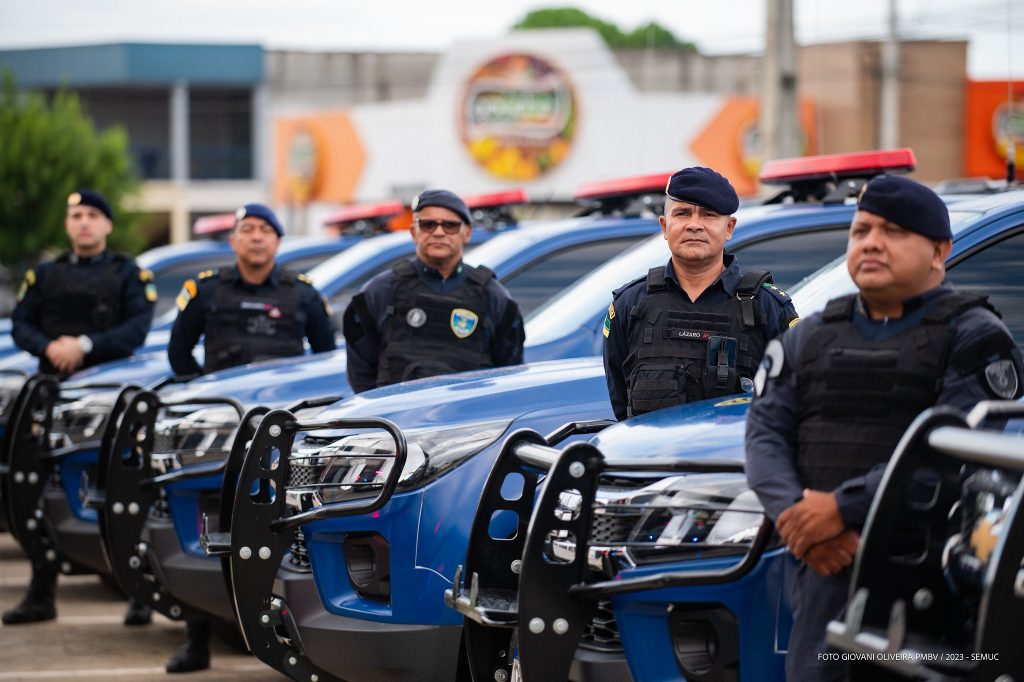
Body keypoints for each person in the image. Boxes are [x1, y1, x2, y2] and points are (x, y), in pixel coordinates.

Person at [745, 175, 1023, 681]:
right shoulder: (809, 335)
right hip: (821, 570)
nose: (871, 242)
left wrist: (840, 509)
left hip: (924, 583)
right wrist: (800, 521)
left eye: (894, 231)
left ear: (939, 251)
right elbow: (764, 434)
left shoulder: (975, 335)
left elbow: (956, 455)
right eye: (862, 230)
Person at [164, 203, 335, 673]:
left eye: (265, 230)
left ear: (277, 241)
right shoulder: (206, 290)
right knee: (211, 532)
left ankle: (283, 633)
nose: (256, 237)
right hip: (223, 438)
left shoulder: (301, 295)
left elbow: (327, 362)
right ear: (234, 240)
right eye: (247, 230)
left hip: (281, 440)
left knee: (278, 534)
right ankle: (196, 638)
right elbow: (179, 354)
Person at [6, 189, 155, 629]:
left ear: (107, 224)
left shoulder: (127, 272)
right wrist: (51, 347)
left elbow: (137, 329)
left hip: (109, 400)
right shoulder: (47, 274)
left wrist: (85, 346)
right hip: (50, 398)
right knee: (35, 495)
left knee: (122, 496)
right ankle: (41, 593)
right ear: (68, 224)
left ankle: (141, 594)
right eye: (76, 215)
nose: (84, 222)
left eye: (92, 215)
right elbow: (20, 324)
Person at [603, 167, 798, 421]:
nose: (694, 225)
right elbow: (621, 406)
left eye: (708, 215)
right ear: (664, 226)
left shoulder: (769, 308)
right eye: (683, 213)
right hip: (650, 460)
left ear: (729, 228)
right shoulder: (629, 305)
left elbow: (795, 403)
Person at [342, 189, 524, 392]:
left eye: (450, 225)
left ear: (467, 233)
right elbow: (361, 377)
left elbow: (508, 374)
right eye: (428, 224)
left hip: (469, 420)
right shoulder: (379, 292)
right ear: (413, 232)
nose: (439, 232)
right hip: (397, 420)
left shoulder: (493, 296)